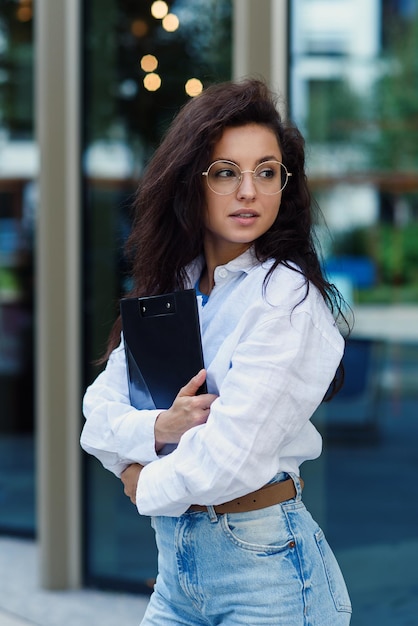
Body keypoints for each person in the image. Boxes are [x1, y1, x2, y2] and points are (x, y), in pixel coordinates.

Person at [80, 78, 352, 625]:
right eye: (226, 172)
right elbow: (97, 415)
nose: (248, 191)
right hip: (176, 570)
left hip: (266, 576)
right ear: (191, 183)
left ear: (284, 185)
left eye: (266, 172)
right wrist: (163, 427)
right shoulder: (171, 289)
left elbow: (233, 456)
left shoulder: (286, 298)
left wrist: (140, 480)